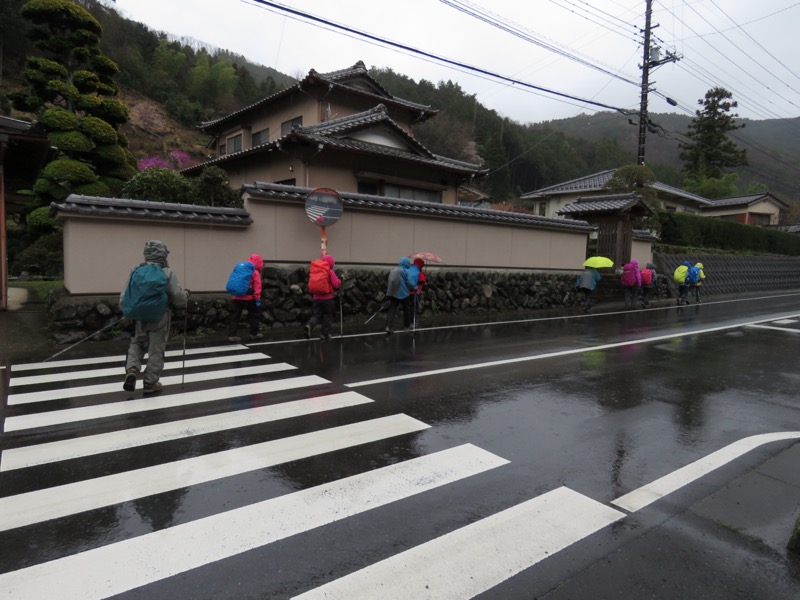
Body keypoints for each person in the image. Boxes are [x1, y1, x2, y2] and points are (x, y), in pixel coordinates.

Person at [121, 240, 188, 394]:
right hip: (159, 317)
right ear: (163, 254)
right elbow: (179, 298)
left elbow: (125, 295)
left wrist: (126, 311)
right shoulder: (167, 272)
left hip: (138, 316)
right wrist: (186, 296)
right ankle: (150, 383)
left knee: (137, 343)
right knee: (156, 349)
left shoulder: (136, 270)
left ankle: (132, 369)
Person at [304, 254, 342, 341]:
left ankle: (309, 325)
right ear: (331, 263)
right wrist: (340, 281)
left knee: (316, 315)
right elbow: (336, 284)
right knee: (327, 316)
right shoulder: (329, 271)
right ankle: (324, 334)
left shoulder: (316, 270)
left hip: (316, 297)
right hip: (327, 298)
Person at [227, 253, 264, 342]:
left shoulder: (240, 269)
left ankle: (232, 335)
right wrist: (257, 299)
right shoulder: (254, 272)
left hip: (236, 297)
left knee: (235, 316)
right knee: (254, 315)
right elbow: (257, 287)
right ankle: (253, 334)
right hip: (248, 298)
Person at [385, 256, 417, 334]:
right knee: (407, 310)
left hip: (393, 293)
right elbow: (410, 282)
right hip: (403, 293)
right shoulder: (406, 271)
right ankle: (407, 326)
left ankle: (389, 327)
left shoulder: (393, 270)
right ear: (406, 263)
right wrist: (415, 287)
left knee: (392, 309)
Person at [408, 258, 427, 327]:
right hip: (416, 292)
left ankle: (408, 321)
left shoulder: (410, 268)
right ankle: (413, 322)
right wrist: (425, 277)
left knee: (409, 307)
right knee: (414, 308)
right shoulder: (419, 271)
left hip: (408, 292)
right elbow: (422, 281)